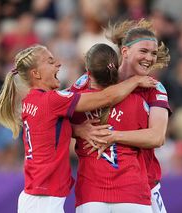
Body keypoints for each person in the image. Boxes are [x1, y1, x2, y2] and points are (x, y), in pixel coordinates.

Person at [0, 44, 157, 213]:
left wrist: (77, 129)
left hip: (38, 195)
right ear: (36, 73)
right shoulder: (52, 101)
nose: (58, 64)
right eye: (50, 61)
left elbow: (50, 128)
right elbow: (106, 97)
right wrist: (135, 80)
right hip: (43, 200)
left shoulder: (31, 101)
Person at [72, 19, 171, 213]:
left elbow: (157, 137)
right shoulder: (92, 79)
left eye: (153, 53)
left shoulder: (154, 88)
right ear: (125, 52)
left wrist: (114, 135)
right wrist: (78, 130)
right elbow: (58, 113)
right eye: (143, 51)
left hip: (144, 183)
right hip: (96, 189)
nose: (150, 58)